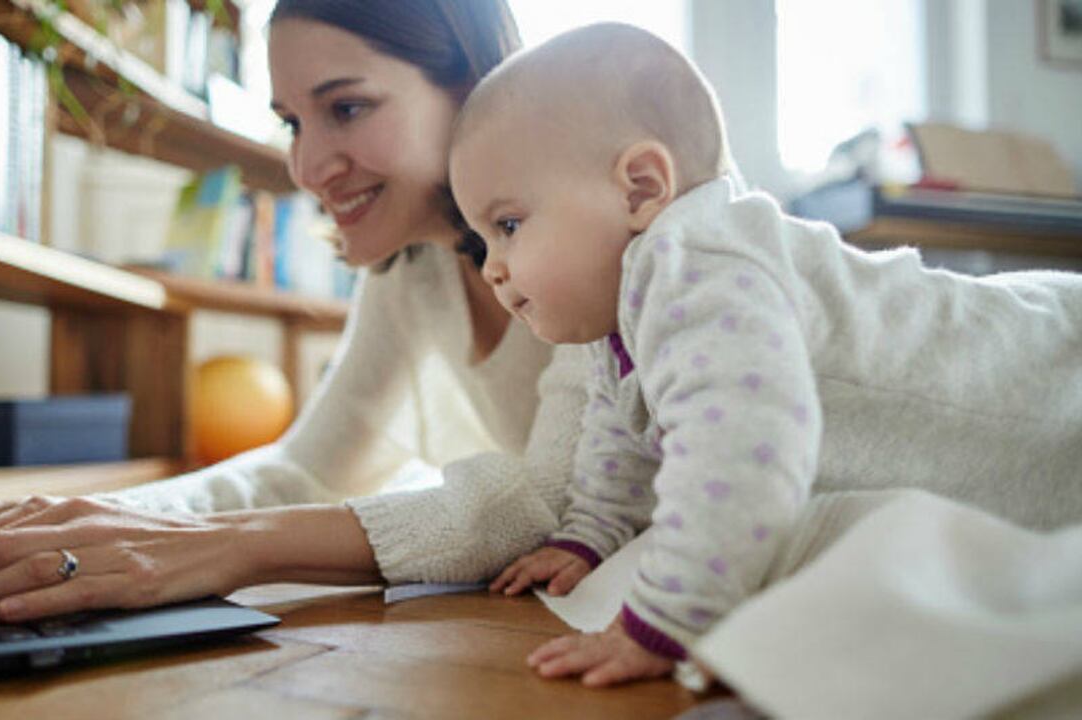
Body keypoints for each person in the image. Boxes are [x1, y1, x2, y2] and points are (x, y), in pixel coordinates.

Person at [0, 0, 590, 625]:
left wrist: (230, 549)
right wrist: (100, 519)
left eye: (346, 108)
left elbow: (550, 505)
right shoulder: (412, 271)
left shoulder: (599, 242)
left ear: (471, 87)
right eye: (291, 122)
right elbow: (305, 470)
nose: (307, 165)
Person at [448, 22, 1082, 688]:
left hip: (1044, 377)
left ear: (640, 189)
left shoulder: (702, 265)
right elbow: (622, 441)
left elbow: (743, 448)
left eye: (509, 226)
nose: (492, 268)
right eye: (485, 240)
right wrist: (590, 534)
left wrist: (662, 619)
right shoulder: (629, 317)